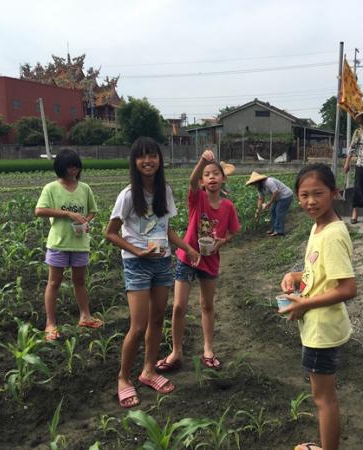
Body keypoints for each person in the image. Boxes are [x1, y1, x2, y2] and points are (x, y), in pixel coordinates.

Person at [105, 137, 200, 409]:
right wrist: (137, 252)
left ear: (160, 160)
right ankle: (123, 378)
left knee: (158, 318)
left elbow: (166, 230)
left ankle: (148, 370)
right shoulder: (127, 196)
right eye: (142, 157)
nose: (148, 161)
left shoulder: (165, 191)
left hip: (162, 260)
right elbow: (110, 233)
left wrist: (187, 248)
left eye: (153, 156)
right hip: (137, 263)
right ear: (135, 162)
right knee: (138, 325)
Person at [279, 163, 357, 450]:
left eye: (318, 194)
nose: (310, 201)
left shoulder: (333, 235)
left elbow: (348, 288)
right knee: (323, 396)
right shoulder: (319, 227)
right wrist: (294, 276)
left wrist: (305, 303)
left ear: (334, 193)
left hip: (321, 330)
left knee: (324, 399)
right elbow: (319, 274)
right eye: (304, 195)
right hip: (318, 324)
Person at [156, 149, 240, 373]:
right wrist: (203, 160)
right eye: (207, 174)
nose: (212, 177)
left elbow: (233, 231)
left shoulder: (228, 206)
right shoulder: (198, 198)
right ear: (203, 181)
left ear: (223, 178)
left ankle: (208, 349)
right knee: (178, 306)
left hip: (210, 260)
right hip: (187, 257)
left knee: (207, 304)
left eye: (216, 174)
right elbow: (191, 181)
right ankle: (176, 351)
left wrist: (222, 242)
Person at [35, 148, 103, 341]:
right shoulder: (51, 188)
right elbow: (39, 210)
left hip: (80, 242)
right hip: (59, 242)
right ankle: (50, 323)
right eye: (69, 168)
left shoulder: (85, 188)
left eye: (75, 167)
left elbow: (92, 211)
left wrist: (86, 221)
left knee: (80, 281)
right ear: (60, 168)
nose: (73, 171)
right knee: (54, 282)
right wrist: (67, 213)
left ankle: (85, 316)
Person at [245, 171, 294, 236]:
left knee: (279, 211)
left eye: (254, 183)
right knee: (273, 211)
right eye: (253, 184)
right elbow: (260, 199)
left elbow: (276, 192)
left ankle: (279, 231)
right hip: (278, 198)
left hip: (286, 195)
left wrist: (269, 203)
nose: (254, 185)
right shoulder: (260, 188)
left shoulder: (269, 182)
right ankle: (273, 228)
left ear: (258, 181)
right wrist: (258, 210)